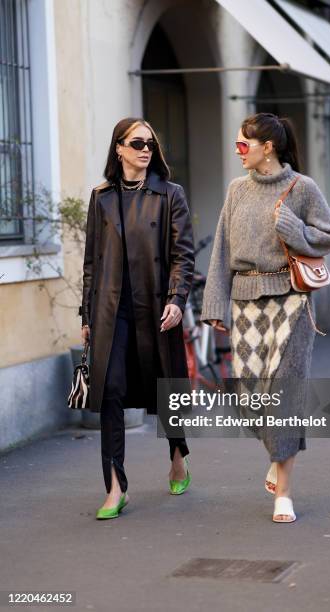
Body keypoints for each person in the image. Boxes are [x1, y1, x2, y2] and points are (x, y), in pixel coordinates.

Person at [200, 112, 330, 523]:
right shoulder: (236, 190)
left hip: (292, 301)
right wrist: (215, 306)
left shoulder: (302, 188)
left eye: (244, 144)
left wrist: (295, 229)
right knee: (249, 398)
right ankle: (280, 452)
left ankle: (285, 492)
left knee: (285, 395)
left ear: (268, 148)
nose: (238, 150)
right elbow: (222, 251)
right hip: (245, 304)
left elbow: (329, 235)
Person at [80, 117, 195, 519]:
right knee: (110, 390)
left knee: (165, 388)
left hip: (157, 306)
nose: (145, 149)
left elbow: (184, 254)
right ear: (119, 149)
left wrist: (178, 298)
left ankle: (178, 453)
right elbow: (91, 262)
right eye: (137, 142)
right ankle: (115, 487)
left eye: (150, 142)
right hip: (113, 311)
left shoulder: (170, 194)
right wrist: (86, 313)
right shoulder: (102, 197)